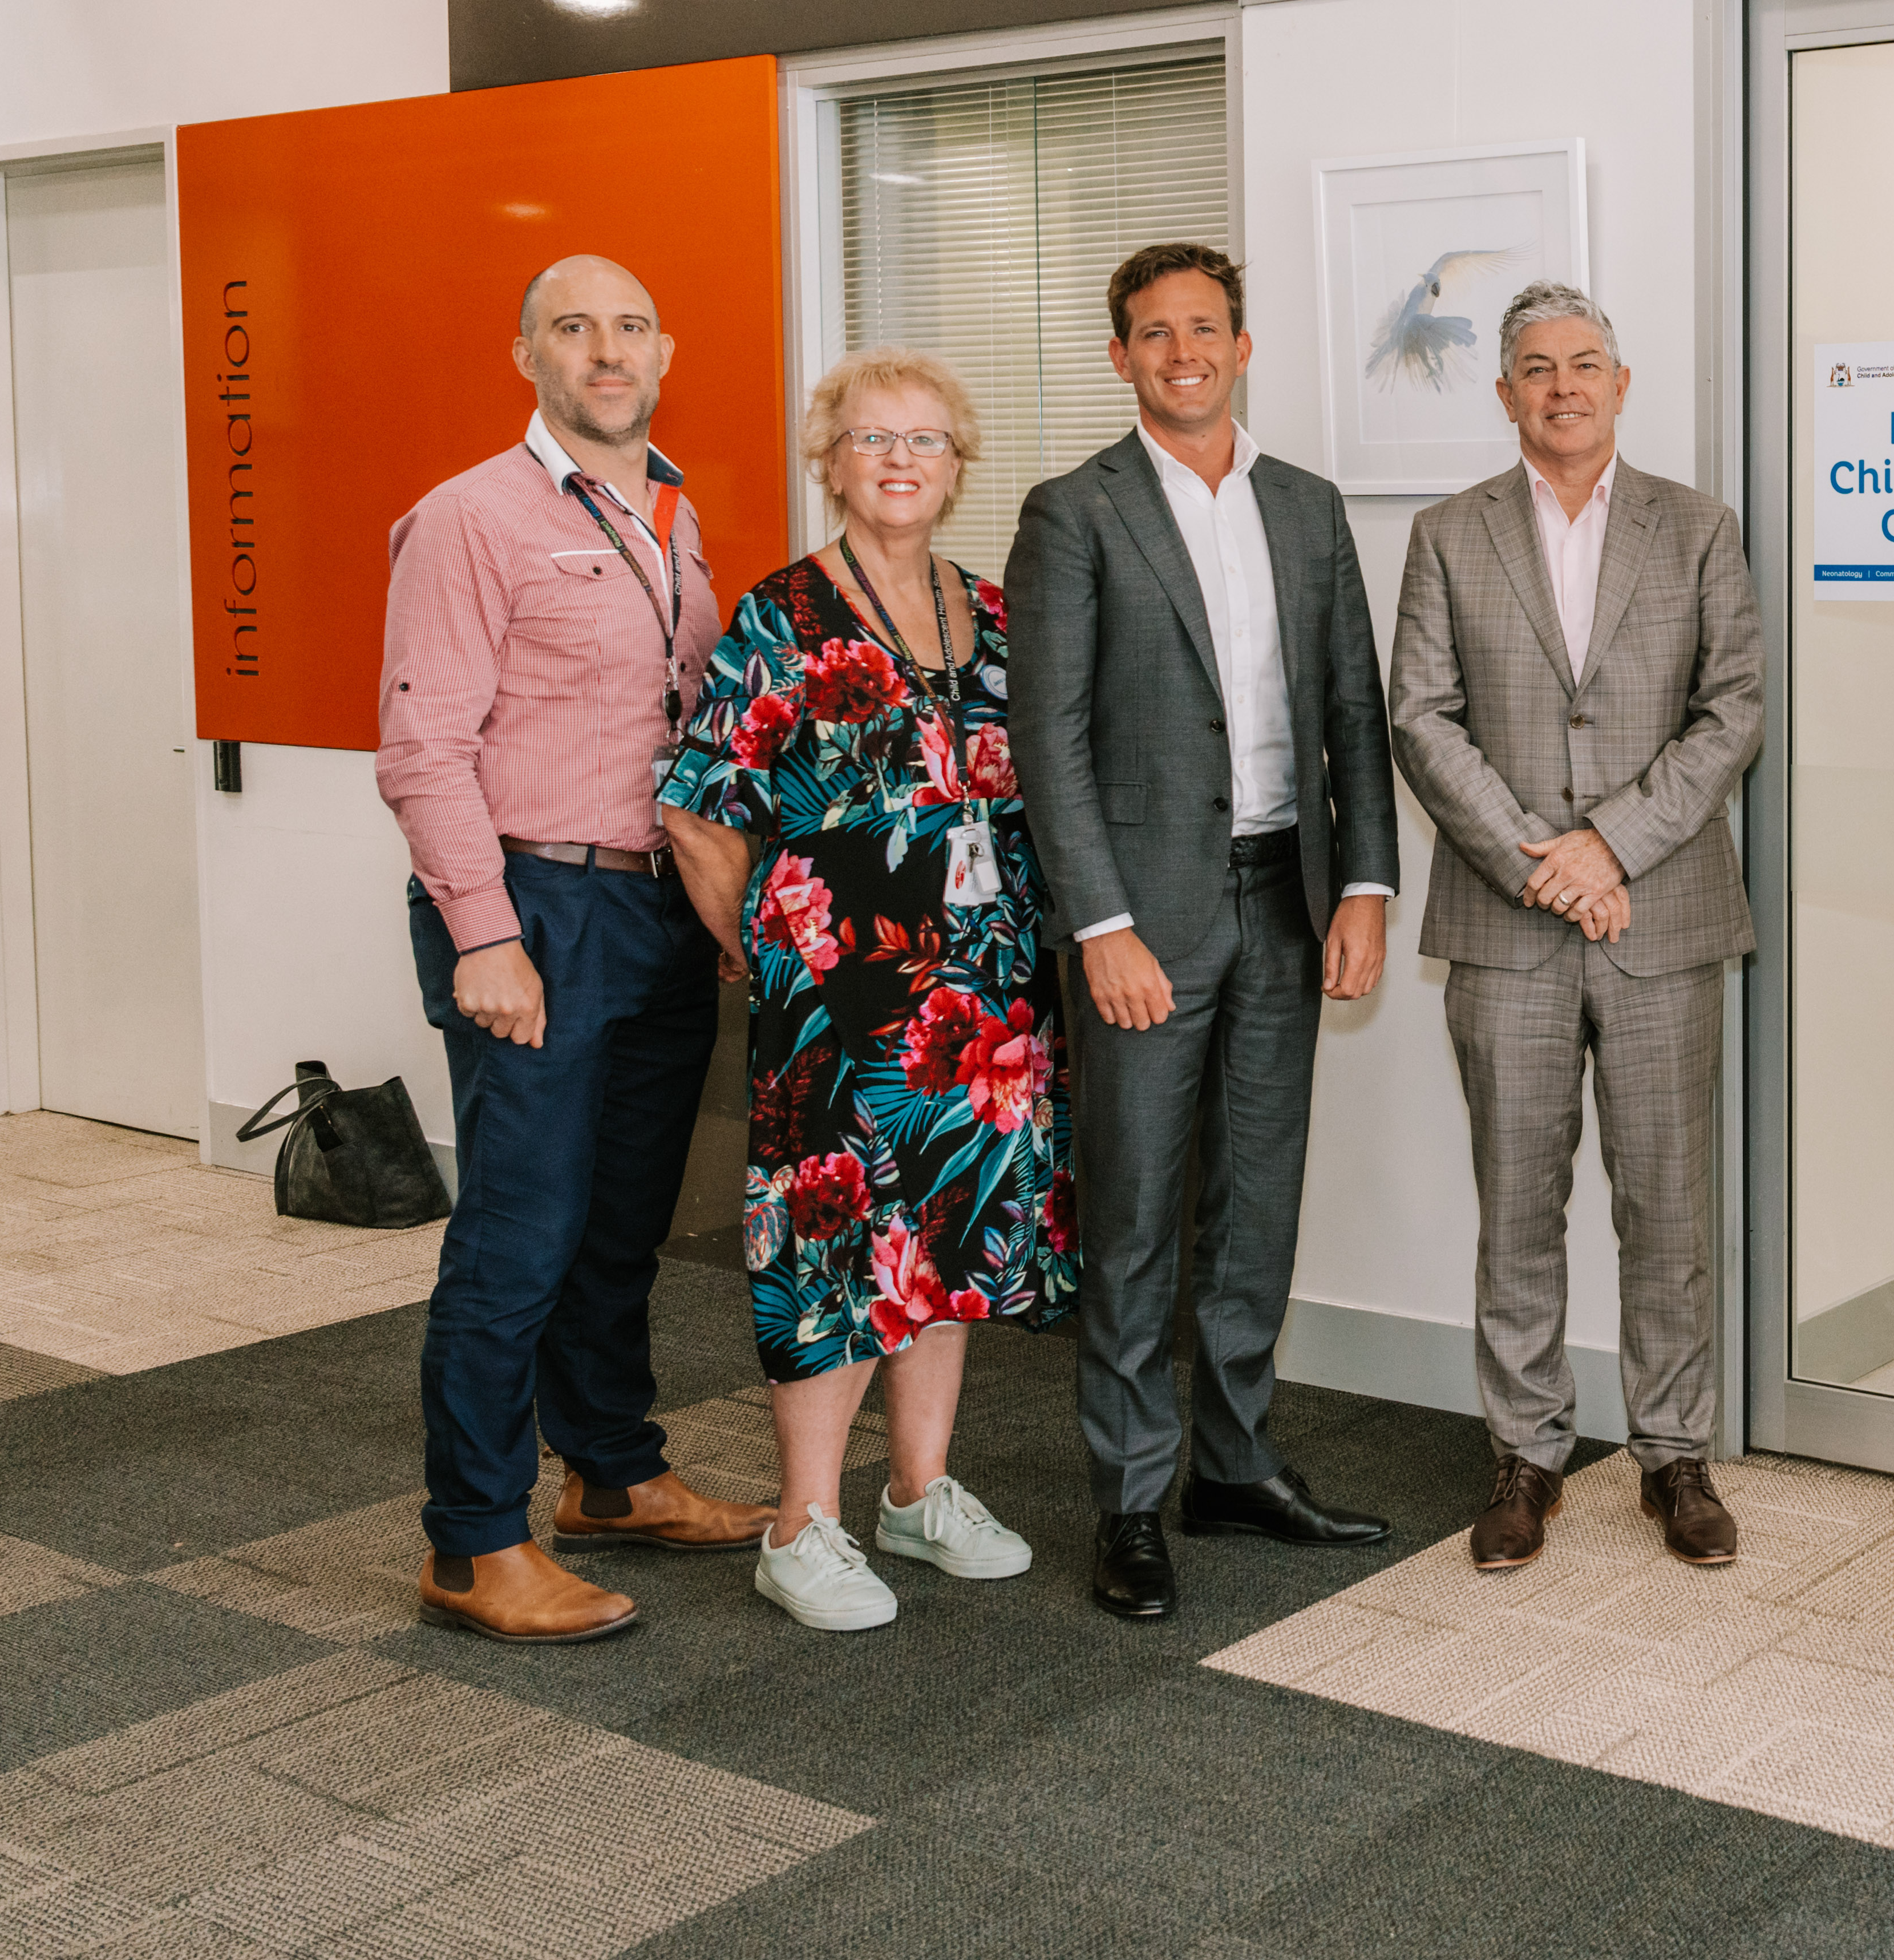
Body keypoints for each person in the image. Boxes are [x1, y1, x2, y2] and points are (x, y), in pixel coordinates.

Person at [374, 254, 775, 1642]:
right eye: (571, 326)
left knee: (620, 1221)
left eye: (628, 326)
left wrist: (713, 900)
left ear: (663, 350)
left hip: (652, 909)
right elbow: (422, 751)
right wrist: (485, 936)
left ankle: (611, 1474)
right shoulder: (468, 517)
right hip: (530, 908)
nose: (605, 350)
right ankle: (472, 1540)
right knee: (517, 1230)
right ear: (525, 352)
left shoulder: (670, 506)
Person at [1003, 240, 1402, 1623]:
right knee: (1130, 1219)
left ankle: (1231, 1464)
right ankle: (1128, 1495)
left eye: (1207, 327)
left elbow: (1353, 707)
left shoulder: (1307, 505)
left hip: (1285, 903)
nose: (1183, 349)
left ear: (1243, 346)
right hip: (1145, 919)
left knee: (1255, 1205)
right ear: (1120, 355)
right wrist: (1099, 924)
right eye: (1154, 331)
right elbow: (1045, 741)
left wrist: (1365, 884)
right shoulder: (1073, 512)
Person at [659, 349, 1073, 1632]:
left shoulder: (997, 612)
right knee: (834, 1247)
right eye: (873, 437)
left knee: (944, 1247)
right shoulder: (780, 612)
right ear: (828, 458)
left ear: (958, 466)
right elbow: (698, 813)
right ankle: (803, 1522)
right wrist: (778, 948)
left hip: (983, 1000)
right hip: (837, 999)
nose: (900, 459)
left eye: (927, 440)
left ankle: (918, 1488)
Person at [1389, 282, 1767, 1572]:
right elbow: (1420, 719)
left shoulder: (1699, 526)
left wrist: (1610, 846)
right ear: (1505, 394)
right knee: (1518, 1200)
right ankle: (1525, 1454)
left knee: (1667, 1203)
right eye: (1537, 367)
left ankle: (1674, 1455)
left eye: (1586, 363)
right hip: (1508, 925)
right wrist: (1547, 867)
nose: (1563, 385)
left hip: (1662, 914)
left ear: (1621, 381)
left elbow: (1732, 711)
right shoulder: (1448, 534)